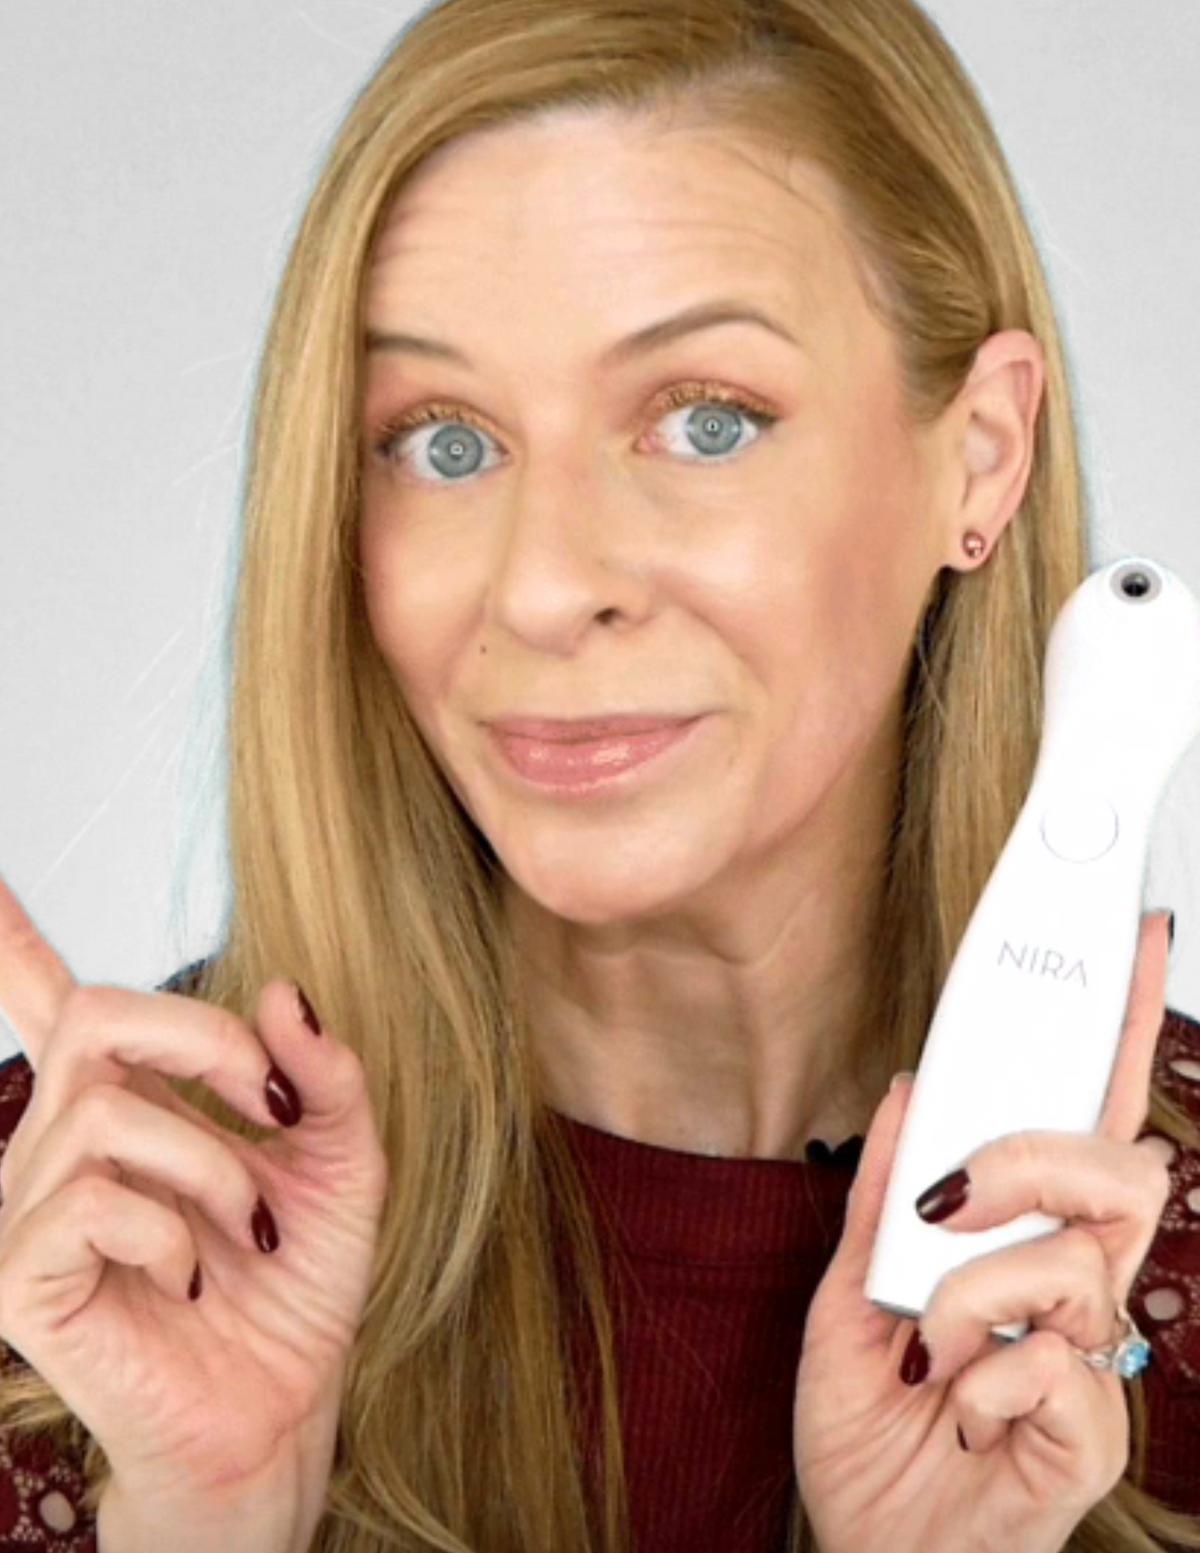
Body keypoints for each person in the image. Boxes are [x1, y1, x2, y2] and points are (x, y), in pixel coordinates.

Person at [1, 0, 1199, 1549]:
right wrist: (210, 1520)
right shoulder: (78, 1252)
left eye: (705, 422)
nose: (546, 587)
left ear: (980, 453)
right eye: (442, 442)